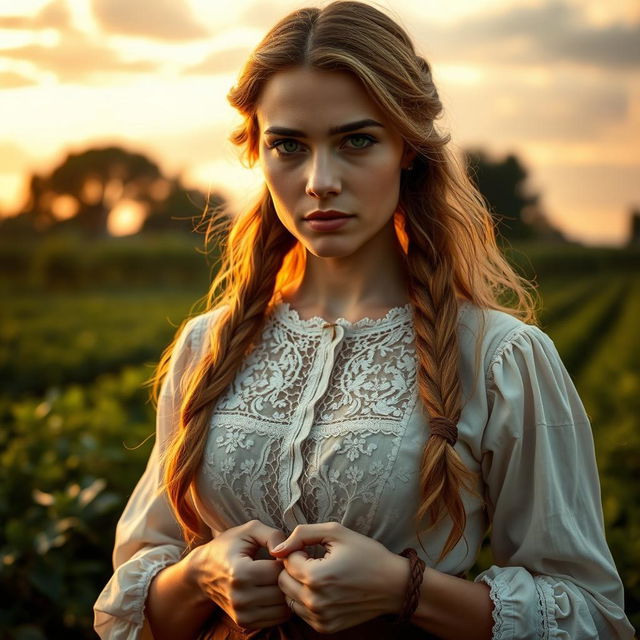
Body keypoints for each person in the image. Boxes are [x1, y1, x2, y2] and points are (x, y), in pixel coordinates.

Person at [93, 2, 635, 639]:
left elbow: (589, 613)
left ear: (408, 147)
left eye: (357, 140)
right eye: (288, 145)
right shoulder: (207, 347)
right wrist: (200, 575)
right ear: (256, 154)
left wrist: (402, 591)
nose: (320, 181)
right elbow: (122, 611)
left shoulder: (500, 357)